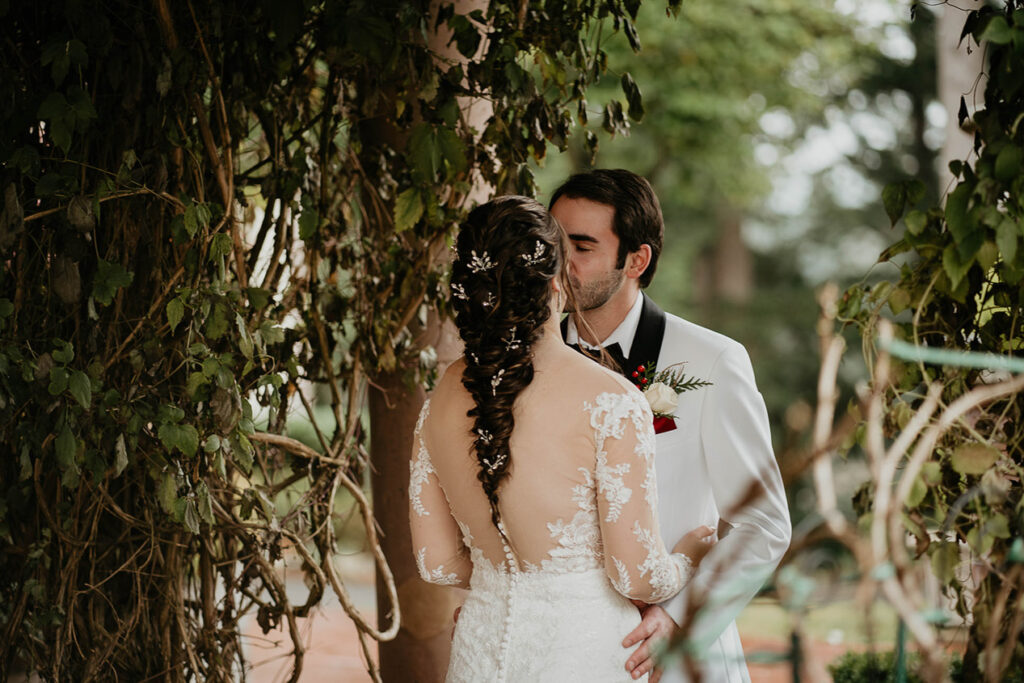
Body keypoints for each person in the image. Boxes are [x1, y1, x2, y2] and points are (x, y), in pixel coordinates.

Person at [409, 195, 715, 682]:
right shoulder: (611, 399)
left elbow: (436, 563)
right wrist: (691, 555)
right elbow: (636, 576)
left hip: (479, 654)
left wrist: (505, 582)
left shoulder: (441, 397)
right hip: (582, 652)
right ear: (556, 279)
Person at [550, 169, 792, 683]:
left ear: (636, 260)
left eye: (582, 247)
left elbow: (764, 524)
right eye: (553, 242)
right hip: (557, 643)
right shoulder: (528, 359)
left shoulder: (713, 361)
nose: (560, 264)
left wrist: (681, 617)